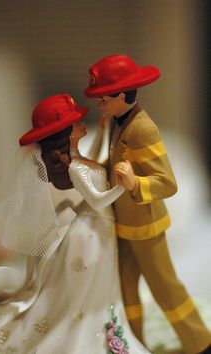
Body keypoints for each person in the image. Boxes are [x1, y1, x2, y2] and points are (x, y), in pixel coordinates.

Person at [0, 93, 150, 354]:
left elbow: (97, 162)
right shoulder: (75, 169)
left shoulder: (78, 159)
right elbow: (98, 201)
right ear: (66, 132)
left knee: (97, 289)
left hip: (98, 229)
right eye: (76, 120)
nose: (82, 122)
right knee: (84, 295)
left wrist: (103, 133)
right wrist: (124, 186)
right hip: (90, 231)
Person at [84, 54, 211, 354]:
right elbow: (114, 165)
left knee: (164, 287)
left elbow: (167, 182)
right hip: (124, 224)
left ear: (122, 95)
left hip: (146, 226)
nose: (99, 103)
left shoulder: (143, 129)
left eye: (103, 98)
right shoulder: (116, 123)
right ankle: (133, 341)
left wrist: (134, 182)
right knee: (126, 288)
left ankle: (200, 342)